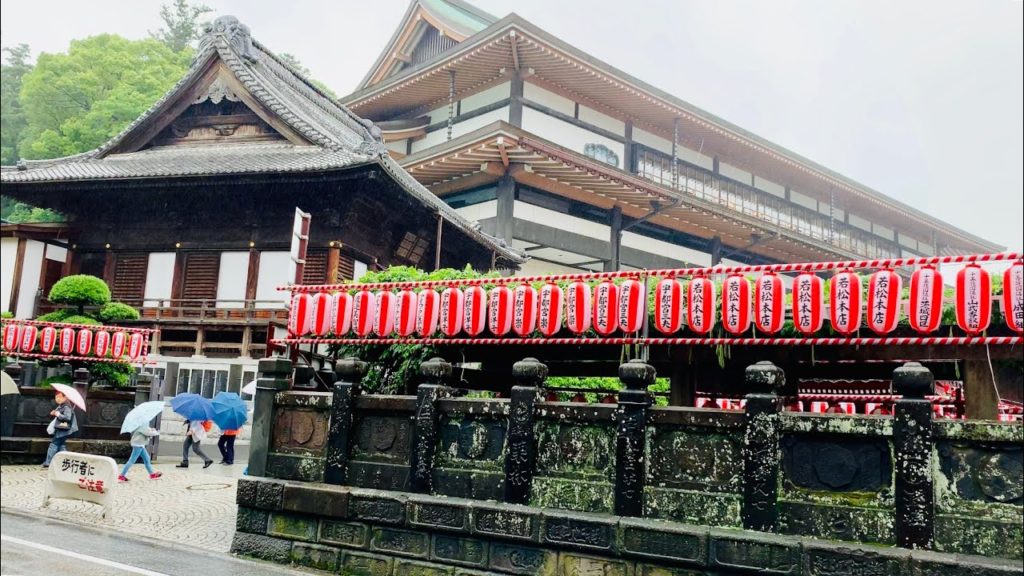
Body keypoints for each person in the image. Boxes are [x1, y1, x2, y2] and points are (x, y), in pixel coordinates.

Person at [42, 391, 78, 467]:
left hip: (63, 429)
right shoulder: (62, 406)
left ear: (65, 397)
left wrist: (58, 414)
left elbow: (67, 418)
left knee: (54, 444)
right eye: (56, 397)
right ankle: (64, 461)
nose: (57, 399)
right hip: (62, 429)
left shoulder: (66, 407)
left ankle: (48, 462)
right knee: (61, 445)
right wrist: (55, 412)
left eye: (59, 397)